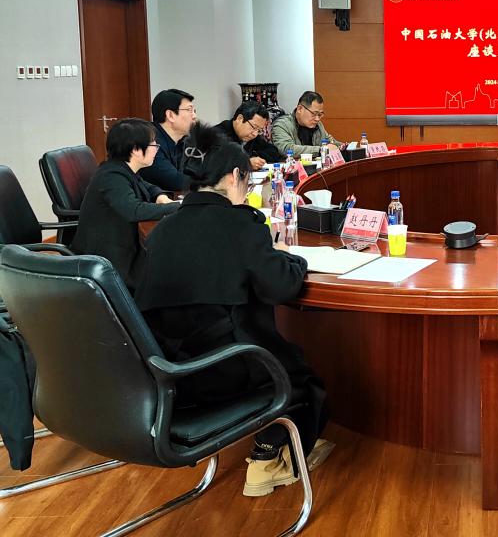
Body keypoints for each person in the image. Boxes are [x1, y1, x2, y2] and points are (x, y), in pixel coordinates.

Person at [134, 123, 333, 497]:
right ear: (232, 177)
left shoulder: (162, 230)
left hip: (170, 375)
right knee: (301, 378)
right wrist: (292, 258)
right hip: (229, 370)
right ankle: (269, 458)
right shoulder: (241, 225)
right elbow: (282, 286)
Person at [71, 118, 179, 289]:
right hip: (107, 259)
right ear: (135, 149)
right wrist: (177, 206)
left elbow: (145, 185)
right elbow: (133, 210)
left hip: (122, 246)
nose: (156, 149)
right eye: (153, 145)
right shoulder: (111, 176)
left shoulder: (122, 169)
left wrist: (160, 196)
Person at [140, 88, 197, 192]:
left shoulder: (183, 141)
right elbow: (175, 181)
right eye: (189, 110)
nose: (194, 116)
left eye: (194, 111)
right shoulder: (150, 141)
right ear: (170, 115)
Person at [214, 101, 284, 169]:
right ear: (240, 119)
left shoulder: (251, 135)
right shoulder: (217, 135)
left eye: (259, 130)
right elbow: (217, 163)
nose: (255, 134)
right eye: (254, 127)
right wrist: (245, 163)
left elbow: (273, 151)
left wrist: (254, 157)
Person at [272, 91, 340, 156]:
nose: (317, 119)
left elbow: (330, 142)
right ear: (300, 109)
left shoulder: (318, 124)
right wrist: (320, 150)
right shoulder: (282, 125)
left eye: (320, 114)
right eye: (314, 114)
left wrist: (344, 147)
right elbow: (286, 149)